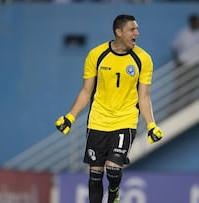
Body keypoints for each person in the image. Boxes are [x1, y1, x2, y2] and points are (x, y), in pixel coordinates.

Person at [55, 14, 163, 203]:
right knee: (95, 175)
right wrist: (69, 118)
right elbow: (86, 91)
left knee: (113, 169)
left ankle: (114, 191)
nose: (137, 33)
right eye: (132, 29)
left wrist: (151, 125)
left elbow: (143, 96)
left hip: (125, 121)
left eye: (137, 29)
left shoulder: (143, 59)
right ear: (118, 32)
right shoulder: (96, 55)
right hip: (98, 121)